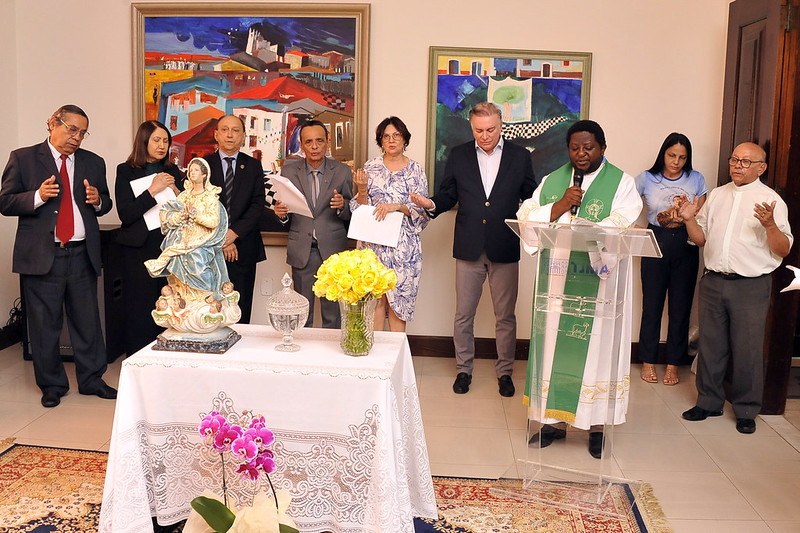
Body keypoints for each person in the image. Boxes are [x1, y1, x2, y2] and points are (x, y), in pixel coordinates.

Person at [517, 119, 642, 457]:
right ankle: (553, 422)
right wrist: (560, 206)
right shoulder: (552, 181)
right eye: (575, 148)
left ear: (602, 147)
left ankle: (596, 426)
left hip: (598, 285)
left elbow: (624, 221)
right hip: (557, 282)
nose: (582, 154)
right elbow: (527, 218)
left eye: (589, 147)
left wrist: (589, 226)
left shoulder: (622, 183)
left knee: (596, 352)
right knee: (554, 347)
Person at [410, 102, 536, 398]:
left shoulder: (519, 156)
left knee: (505, 316)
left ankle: (505, 372)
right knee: (463, 314)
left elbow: (531, 197)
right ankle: (463, 370)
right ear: (471, 127)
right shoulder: (459, 155)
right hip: (468, 245)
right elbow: (448, 194)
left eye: (490, 129)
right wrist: (431, 204)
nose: (485, 135)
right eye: (479, 130)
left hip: (505, 244)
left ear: (501, 125)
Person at [0, 104, 116, 408]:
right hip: (42, 255)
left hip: (81, 253)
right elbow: (6, 201)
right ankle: (51, 385)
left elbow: (105, 202)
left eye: (82, 132)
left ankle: (92, 380)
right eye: (71, 129)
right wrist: (38, 196)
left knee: (87, 322)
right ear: (53, 123)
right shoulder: (23, 158)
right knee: (44, 325)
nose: (77, 137)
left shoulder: (93, 162)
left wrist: (98, 201)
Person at [679, 142, 792, 434]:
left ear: (761, 167)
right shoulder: (717, 195)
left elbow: (783, 249)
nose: (737, 166)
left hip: (751, 286)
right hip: (714, 281)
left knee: (747, 350)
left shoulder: (771, 201)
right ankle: (708, 402)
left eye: (745, 161)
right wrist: (689, 218)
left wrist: (769, 225)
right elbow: (701, 239)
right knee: (711, 347)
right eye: (734, 160)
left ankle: (746, 410)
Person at [636, 133, 708, 385]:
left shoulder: (696, 178)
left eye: (682, 157)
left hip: (686, 243)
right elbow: (630, 208)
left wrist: (686, 215)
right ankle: (647, 360)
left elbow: (701, 213)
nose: (676, 161)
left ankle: (673, 363)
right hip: (654, 239)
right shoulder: (646, 178)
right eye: (671, 155)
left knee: (680, 308)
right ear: (662, 153)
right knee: (652, 306)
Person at [351, 117, 430, 332]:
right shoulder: (371, 167)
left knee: (399, 304)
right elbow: (359, 210)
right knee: (376, 301)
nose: (391, 140)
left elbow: (424, 212)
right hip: (373, 245)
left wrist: (398, 206)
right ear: (380, 141)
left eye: (396, 135)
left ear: (405, 139)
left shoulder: (416, 170)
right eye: (386, 136)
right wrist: (363, 189)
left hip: (404, 248)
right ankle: (376, 360)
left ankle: (395, 359)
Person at [273, 120, 353, 328]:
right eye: (309, 142)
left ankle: (330, 359)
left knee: (332, 316)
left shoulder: (343, 171)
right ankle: (301, 357)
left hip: (333, 252)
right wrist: (281, 213)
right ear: (301, 144)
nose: (314, 146)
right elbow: (286, 211)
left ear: (328, 143)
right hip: (302, 251)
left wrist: (343, 205)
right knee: (301, 314)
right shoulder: (289, 171)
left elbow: (353, 212)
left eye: (319, 141)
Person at [114, 120, 182, 355]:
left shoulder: (173, 171)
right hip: (138, 249)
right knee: (140, 307)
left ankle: (167, 356)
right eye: (156, 140)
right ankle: (138, 358)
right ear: (144, 141)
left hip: (168, 248)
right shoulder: (125, 170)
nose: (162, 145)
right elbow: (126, 214)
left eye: (166, 140)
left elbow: (186, 211)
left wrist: (176, 192)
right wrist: (153, 190)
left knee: (169, 303)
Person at [204, 115, 267, 324]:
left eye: (235, 130)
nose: (230, 135)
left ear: (243, 136)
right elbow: (199, 206)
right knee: (210, 306)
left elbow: (258, 204)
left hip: (244, 247)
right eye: (224, 130)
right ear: (216, 134)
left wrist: (233, 233)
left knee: (240, 307)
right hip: (210, 250)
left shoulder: (253, 166)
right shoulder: (203, 166)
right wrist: (223, 237)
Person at [145, 157, 229, 303]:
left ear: (204, 174)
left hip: (202, 241)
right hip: (182, 239)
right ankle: (185, 298)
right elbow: (169, 214)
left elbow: (214, 221)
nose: (192, 173)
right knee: (176, 259)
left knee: (198, 262)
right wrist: (179, 216)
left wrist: (195, 216)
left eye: (196, 170)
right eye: (190, 170)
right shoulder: (183, 196)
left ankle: (204, 298)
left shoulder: (210, 197)